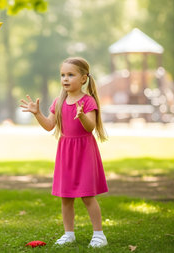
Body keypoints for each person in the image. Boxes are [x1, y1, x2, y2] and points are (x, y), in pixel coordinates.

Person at [20, 57, 108, 248]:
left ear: (83, 78)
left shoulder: (88, 100)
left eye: (71, 75)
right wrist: (37, 114)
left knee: (87, 195)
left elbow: (90, 127)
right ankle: (69, 234)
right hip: (66, 152)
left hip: (84, 151)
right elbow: (49, 125)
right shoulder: (59, 101)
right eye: (63, 75)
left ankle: (99, 235)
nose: (65, 79)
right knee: (66, 196)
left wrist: (82, 115)